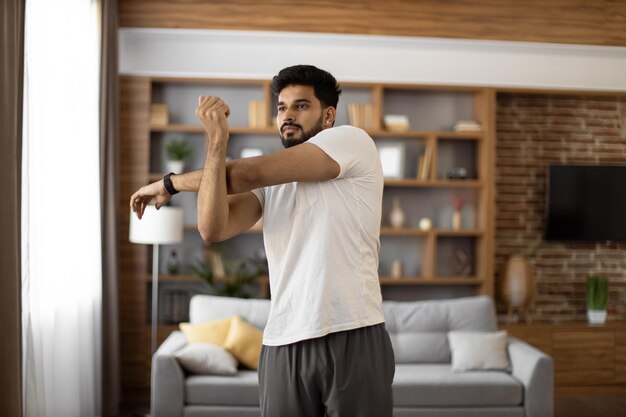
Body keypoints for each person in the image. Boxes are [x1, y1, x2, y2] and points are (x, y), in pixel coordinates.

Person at [130, 65, 394, 417]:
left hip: (352, 332)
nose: (287, 115)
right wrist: (216, 142)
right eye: (282, 107)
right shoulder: (272, 182)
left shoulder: (351, 141)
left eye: (301, 106)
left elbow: (245, 173)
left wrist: (169, 183)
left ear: (328, 115)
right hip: (282, 341)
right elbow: (213, 227)